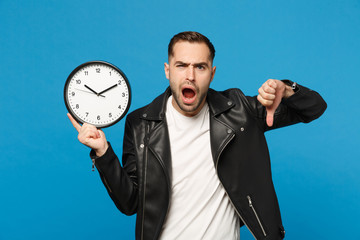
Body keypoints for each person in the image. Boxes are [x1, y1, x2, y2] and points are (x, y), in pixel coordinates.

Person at [68, 31, 327, 240]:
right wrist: (103, 152)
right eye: (182, 66)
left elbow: (315, 108)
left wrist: (288, 88)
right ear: (168, 71)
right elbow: (130, 203)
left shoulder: (239, 112)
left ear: (212, 73)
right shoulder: (141, 124)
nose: (190, 75)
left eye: (200, 67)